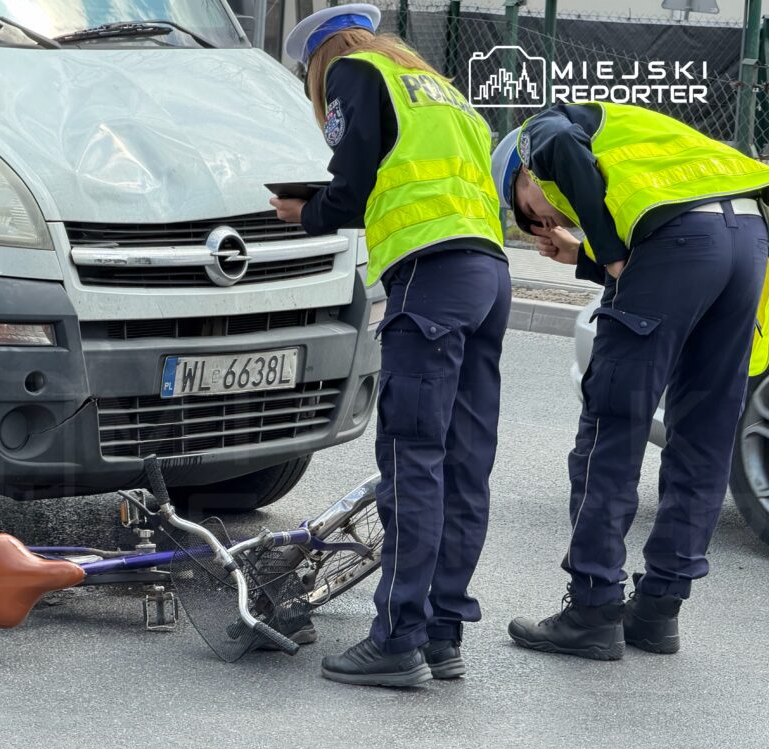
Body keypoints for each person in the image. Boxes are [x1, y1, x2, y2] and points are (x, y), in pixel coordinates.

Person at [273, 4, 511, 687]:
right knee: (464, 465)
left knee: (413, 463)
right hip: (489, 276)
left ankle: (396, 640)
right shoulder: (442, 90)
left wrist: (303, 213)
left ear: (319, 60)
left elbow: (350, 189)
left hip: (428, 276)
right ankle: (443, 635)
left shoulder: (354, 71)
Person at [491, 102, 769, 660]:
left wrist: (611, 256)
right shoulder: (639, 137)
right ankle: (657, 613)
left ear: (521, 173)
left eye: (531, 214)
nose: (547, 225)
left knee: (611, 432)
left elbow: (561, 150)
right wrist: (589, 252)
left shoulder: (536, 133)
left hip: (684, 241)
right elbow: (667, 224)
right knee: (705, 437)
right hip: (747, 236)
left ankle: (592, 610)